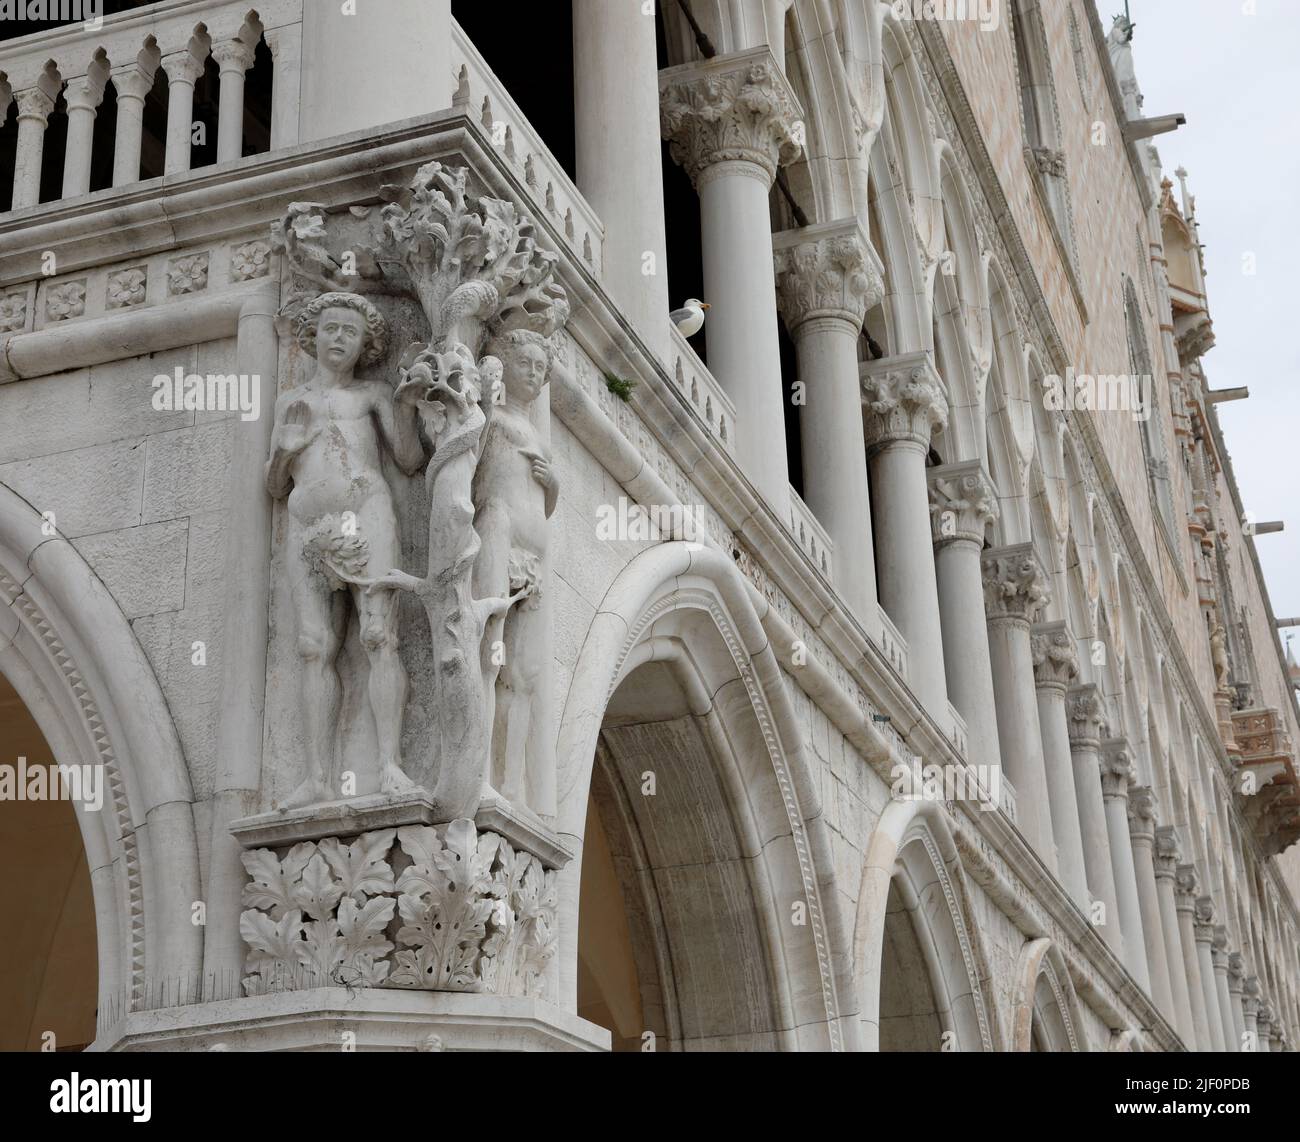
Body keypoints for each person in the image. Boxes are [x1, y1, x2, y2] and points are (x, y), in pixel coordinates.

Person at [265, 292, 426, 806]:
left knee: (379, 635)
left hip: (368, 515)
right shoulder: (291, 402)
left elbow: (406, 458)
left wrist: (407, 401)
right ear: (313, 337)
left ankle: (389, 766)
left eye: (349, 332)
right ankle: (316, 775)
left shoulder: (372, 394)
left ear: (365, 344)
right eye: (330, 328)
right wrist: (284, 453)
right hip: (307, 524)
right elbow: (274, 487)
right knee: (315, 645)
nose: (338, 338)